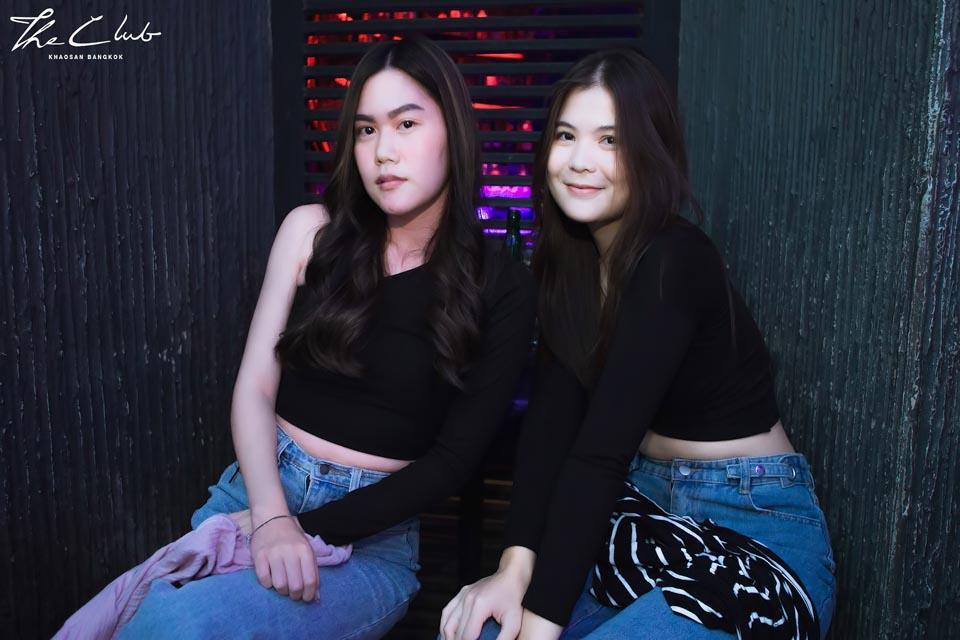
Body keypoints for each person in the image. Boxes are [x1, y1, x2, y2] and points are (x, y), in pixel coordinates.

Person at [117, 34, 536, 640]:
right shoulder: (311, 232)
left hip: (372, 539)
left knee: (179, 623)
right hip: (256, 491)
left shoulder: (501, 283)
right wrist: (270, 517)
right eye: (366, 130)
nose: (383, 152)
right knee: (136, 617)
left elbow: (452, 463)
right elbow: (255, 388)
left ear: (453, 130)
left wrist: (304, 530)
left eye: (406, 124)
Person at [440, 49, 836, 640]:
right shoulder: (571, 263)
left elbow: (599, 454)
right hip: (639, 518)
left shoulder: (673, 261)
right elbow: (550, 429)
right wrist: (513, 569)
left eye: (610, 141)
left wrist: (542, 627)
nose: (580, 161)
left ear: (651, 152)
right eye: (566, 136)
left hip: (753, 528)